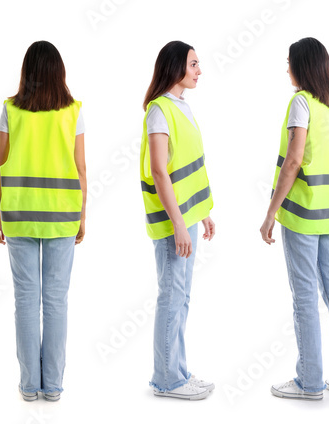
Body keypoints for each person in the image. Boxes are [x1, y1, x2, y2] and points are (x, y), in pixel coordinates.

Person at [260, 37, 329, 401]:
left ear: (303, 66)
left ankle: (309, 382)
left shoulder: (301, 103)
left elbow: (293, 162)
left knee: (305, 296)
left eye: (289, 60)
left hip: (303, 215)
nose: (286, 67)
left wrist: (270, 213)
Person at [0, 40, 86, 402]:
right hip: (62, 215)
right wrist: (82, 215)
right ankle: (54, 386)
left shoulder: (11, 110)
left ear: (27, 73)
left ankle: (30, 385)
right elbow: (81, 169)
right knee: (57, 301)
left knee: (26, 300)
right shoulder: (73, 111)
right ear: (59, 72)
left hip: (18, 214)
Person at [139, 40, 216, 401]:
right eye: (194, 64)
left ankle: (178, 370)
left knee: (181, 296)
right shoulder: (160, 110)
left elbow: (185, 168)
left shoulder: (181, 106)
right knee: (172, 295)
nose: (199, 70)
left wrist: (202, 213)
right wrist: (180, 224)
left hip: (186, 219)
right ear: (176, 68)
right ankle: (167, 378)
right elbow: (159, 171)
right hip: (173, 224)